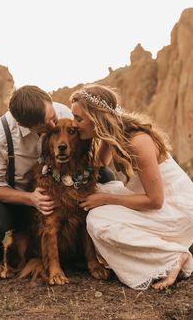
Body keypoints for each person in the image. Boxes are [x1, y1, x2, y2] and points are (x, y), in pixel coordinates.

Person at [70, 84, 193, 290]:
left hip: (176, 209)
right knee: (97, 192)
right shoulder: (112, 134)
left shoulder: (138, 142)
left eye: (78, 119)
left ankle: (172, 256)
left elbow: (155, 200)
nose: (74, 124)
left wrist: (106, 200)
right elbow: (98, 165)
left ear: (97, 118)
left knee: (98, 220)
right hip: (154, 200)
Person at [0, 85, 73, 279]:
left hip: (56, 192)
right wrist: (30, 199)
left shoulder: (61, 112)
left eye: (53, 116)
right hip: (16, 201)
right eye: (47, 124)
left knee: (105, 176)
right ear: (22, 124)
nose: (54, 126)